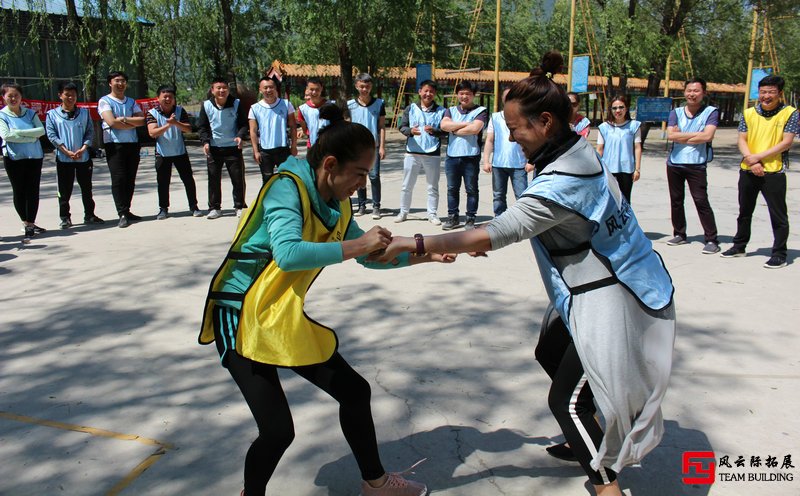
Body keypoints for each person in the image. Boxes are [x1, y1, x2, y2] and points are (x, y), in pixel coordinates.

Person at [375, 51, 676, 496]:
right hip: (594, 283)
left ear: (546, 122)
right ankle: (589, 435)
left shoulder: (564, 181)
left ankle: (607, 483)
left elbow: (499, 230)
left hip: (613, 293)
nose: (512, 139)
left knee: (564, 403)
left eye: (516, 130)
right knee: (550, 349)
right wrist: (479, 240)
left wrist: (413, 242)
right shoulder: (575, 148)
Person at [198, 104, 451, 496]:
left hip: (277, 314)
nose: (362, 184)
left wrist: (424, 256)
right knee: (278, 431)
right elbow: (288, 252)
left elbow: (367, 256)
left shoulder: (337, 201)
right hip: (240, 313)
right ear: (330, 164)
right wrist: (357, 245)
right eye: (360, 174)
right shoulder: (287, 186)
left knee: (354, 391)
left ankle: (377, 484)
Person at [721, 74, 798, 269]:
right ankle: (739, 246)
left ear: (779, 94)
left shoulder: (790, 113)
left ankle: (779, 253)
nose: (766, 96)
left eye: (771, 92)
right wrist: (751, 159)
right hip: (748, 169)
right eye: (763, 92)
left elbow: (786, 142)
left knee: (778, 215)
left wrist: (758, 157)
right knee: (744, 211)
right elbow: (742, 139)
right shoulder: (748, 113)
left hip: (773, 171)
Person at [665, 77, 720, 254]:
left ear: (703, 92)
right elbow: (671, 135)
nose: (692, 94)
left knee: (701, 200)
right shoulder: (676, 112)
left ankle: (711, 239)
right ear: (684, 92)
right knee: (676, 200)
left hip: (696, 164)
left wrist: (683, 136)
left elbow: (707, 136)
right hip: (675, 163)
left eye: (696, 91)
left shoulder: (711, 112)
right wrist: (696, 135)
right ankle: (679, 233)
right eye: (689, 90)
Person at [45, 81, 104, 229]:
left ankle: (89, 214)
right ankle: (65, 217)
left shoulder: (84, 113)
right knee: (64, 190)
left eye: (73, 94)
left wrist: (84, 148)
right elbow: (52, 135)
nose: (71, 97)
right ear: (60, 95)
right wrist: (66, 151)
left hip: (83, 157)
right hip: (64, 158)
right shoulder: (52, 115)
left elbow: (90, 132)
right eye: (67, 94)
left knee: (86, 187)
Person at [146, 85, 203, 220]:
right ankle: (163, 209)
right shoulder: (152, 113)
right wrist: (168, 125)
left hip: (180, 152)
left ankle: (194, 206)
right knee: (163, 182)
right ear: (158, 98)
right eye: (164, 96)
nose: (167, 99)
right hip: (162, 153)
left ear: (174, 98)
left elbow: (188, 129)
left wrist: (175, 122)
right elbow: (152, 132)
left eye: (170, 97)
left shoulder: (179, 110)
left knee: (188, 180)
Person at [98, 71, 146, 228]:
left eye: (123, 81)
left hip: (132, 143)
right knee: (119, 178)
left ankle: (127, 209)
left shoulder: (131, 102)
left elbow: (141, 120)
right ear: (110, 83)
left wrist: (124, 119)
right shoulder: (105, 101)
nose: (120, 84)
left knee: (130, 178)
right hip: (114, 144)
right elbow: (111, 122)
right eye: (117, 81)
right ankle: (122, 213)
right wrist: (130, 122)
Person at [197, 77, 249, 219]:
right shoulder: (207, 105)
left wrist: (240, 136)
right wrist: (205, 142)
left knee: (238, 179)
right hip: (214, 148)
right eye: (218, 88)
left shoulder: (236, 103)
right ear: (212, 90)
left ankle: (239, 206)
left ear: (228, 89)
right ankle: (214, 208)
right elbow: (202, 127)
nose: (221, 90)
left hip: (233, 148)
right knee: (213, 179)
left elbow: (244, 124)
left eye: (224, 88)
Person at [395, 80, 446, 226]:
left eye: (431, 91)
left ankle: (432, 214)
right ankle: (403, 212)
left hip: (432, 153)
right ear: (419, 92)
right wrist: (410, 131)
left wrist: (435, 131)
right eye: (425, 91)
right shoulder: (410, 108)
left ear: (435, 93)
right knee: (407, 185)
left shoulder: (441, 111)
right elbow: (402, 126)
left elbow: (445, 132)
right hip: (412, 152)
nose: (428, 94)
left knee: (432, 186)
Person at [0, 83, 46, 242]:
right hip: (14, 158)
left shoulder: (30, 113)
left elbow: (41, 131)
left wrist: (19, 132)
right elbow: (6, 135)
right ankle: (25, 222)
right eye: (9, 96)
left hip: (34, 157)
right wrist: (31, 137)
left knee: (33, 190)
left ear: (21, 97)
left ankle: (31, 223)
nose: (13, 98)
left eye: (16, 95)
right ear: (3, 98)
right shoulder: (2, 116)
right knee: (19, 190)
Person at [440, 81, 488, 230]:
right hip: (452, 156)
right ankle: (452, 217)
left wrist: (454, 129)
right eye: (461, 93)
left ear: (473, 95)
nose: (464, 96)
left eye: (468, 93)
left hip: (470, 157)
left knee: (471, 189)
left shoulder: (481, 111)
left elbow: (475, 129)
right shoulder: (450, 110)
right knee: (452, 189)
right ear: (457, 94)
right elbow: (443, 126)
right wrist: (466, 124)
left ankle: (470, 219)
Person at [482, 88, 531, 217]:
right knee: (498, 196)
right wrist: (486, 161)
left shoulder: (524, 117)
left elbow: (531, 140)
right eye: (507, 96)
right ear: (503, 99)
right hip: (499, 164)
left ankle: (523, 220)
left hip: (519, 164)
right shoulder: (496, 117)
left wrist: (531, 161)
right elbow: (490, 140)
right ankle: (500, 220)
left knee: (522, 196)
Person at [348, 73, 386, 219]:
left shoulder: (379, 103)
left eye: (367, 86)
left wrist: (382, 146)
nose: (365, 89)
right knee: (359, 175)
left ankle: (376, 206)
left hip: (373, 146)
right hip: (356, 147)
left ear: (371, 87)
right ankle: (362, 205)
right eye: (362, 86)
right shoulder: (350, 105)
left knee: (374, 176)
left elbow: (381, 126)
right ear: (357, 86)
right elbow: (348, 126)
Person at [248, 76, 298, 185]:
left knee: (287, 179)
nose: (268, 90)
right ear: (260, 90)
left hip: (283, 149)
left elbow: (293, 127)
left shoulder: (286, 104)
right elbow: (253, 131)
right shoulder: (255, 108)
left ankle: (286, 201)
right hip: (265, 151)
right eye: (265, 88)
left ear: (275, 88)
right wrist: (256, 151)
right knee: (267, 181)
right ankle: (267, 201)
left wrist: (294, 146)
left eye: (271, 87)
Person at [596, 95, 641, 202]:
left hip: (626, 169)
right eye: (614, 108)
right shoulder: (604, 127)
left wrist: (637, 169)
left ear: (626, 108)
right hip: (608, 170)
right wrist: (598, 169)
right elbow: (599, 149)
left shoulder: (634, 126)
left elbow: (637, 148)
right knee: (608, 201)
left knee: (625, 201)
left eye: (621, 107)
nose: (618, 110)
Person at [297, 78, 331, 148]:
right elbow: (305, 129)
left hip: (329, 146)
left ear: (321, 88)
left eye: (317, 89)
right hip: (312, 146)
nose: (314, 92)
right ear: (307, 89)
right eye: (312, 89)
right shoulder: (303, 109)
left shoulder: (331, 106)